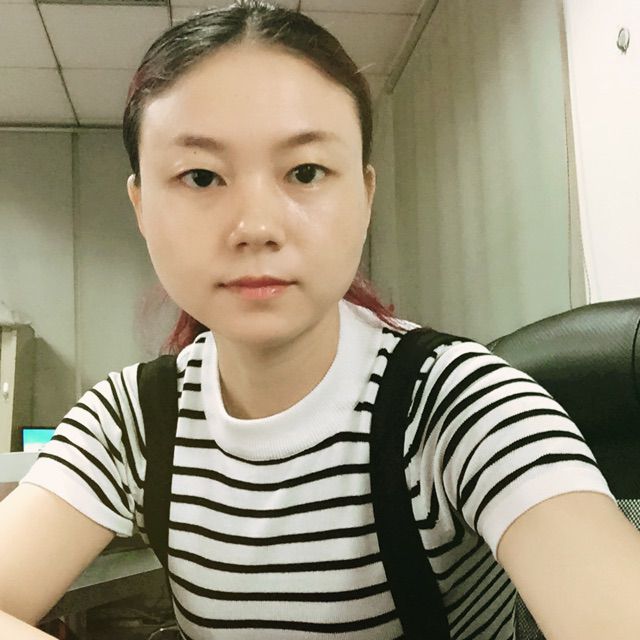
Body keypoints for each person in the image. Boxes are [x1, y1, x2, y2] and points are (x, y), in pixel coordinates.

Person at [1, 1, 640, 638]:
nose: (256, 226)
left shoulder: (459, 402)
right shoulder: (131, 419)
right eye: (201, 176)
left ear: (364, 194)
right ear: (141, 207)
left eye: (305, 172)